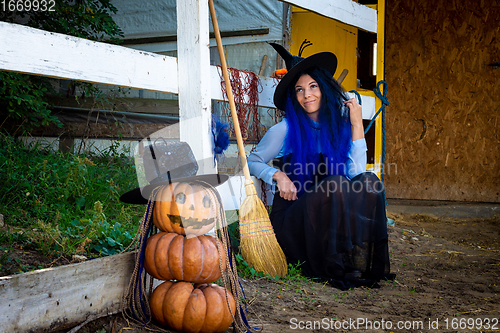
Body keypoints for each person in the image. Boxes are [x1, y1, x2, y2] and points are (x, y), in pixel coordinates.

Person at [247, 41, 393, 289]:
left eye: (313, 86)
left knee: (369, 182)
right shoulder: (284, 130)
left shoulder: (339, 128)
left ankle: (357, 264)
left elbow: (356, 175)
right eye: (299, 90)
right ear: (294, 96)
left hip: (329, 221)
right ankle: (330, 266)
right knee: (335, 184)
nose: (307, 95)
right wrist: (278, 176)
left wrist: (357, 125)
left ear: (324, 88)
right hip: (296, 221)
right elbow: (252, 160)